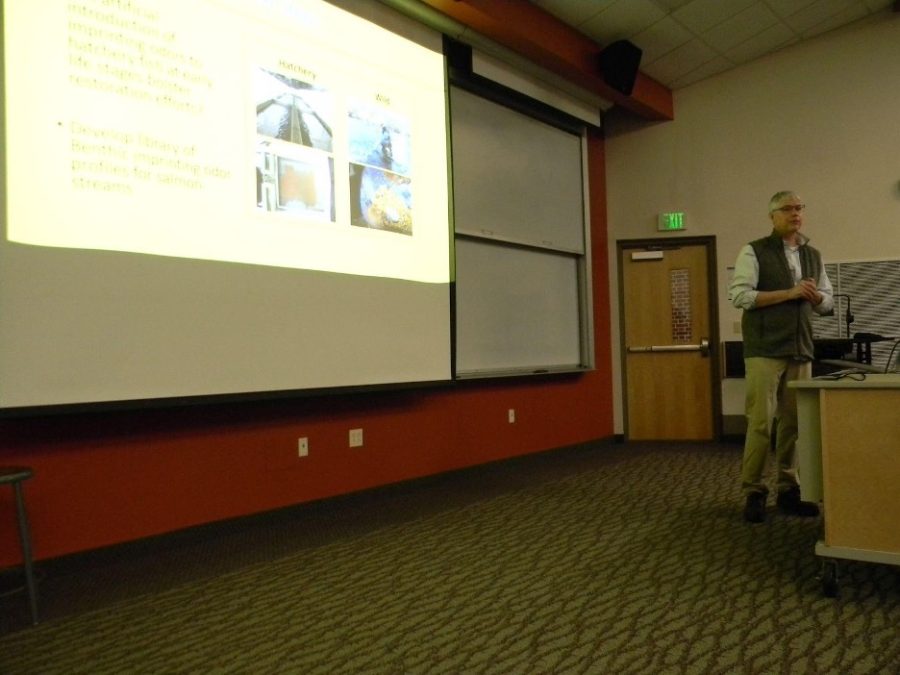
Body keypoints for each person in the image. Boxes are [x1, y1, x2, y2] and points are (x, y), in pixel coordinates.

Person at [729, 191, 834, 523]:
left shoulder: (813, 254)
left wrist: (814, 295)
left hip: (800, 349)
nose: (795, 213)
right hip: (764, 349)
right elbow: (740, 296)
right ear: (772, 216)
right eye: (787, 208)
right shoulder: (754, 250)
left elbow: (827, 303)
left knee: (794, 425)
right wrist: (789, 293)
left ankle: (789, 489)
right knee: (760, 423)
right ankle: (754, 491)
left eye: (800, 207)